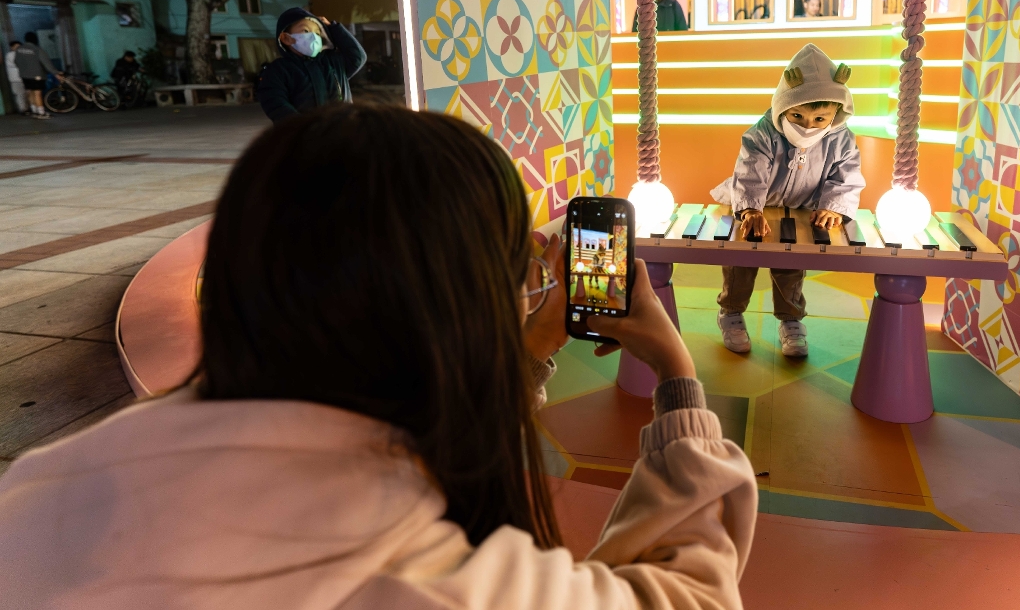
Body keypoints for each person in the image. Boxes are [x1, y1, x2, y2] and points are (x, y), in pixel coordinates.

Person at [0, 104, 757, 608]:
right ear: (454, 305)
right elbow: (691, 593)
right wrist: (676, 375)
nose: (536, 259)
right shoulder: (436, 586)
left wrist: (527, 351)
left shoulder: (41, 484)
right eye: (513, 256)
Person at [710, 44, 865, 357]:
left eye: (819, 118)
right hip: (755, 205)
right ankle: (731, 312)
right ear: (783, 107)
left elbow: (846, 176)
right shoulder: (763, 133)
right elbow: (751, 172)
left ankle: (790, 319)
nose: (807, 126)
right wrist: (750, 209)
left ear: (836, 114)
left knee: (791, 265)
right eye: (797, 116)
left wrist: (833, 206)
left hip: (800, 208)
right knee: (741, 261)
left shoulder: (840, 139)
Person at [257, 7, 366, 122]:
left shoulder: (333, 62)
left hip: (342, 128)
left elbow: (358, 56)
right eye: (306, 31)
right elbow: (275, 103)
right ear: (286, 38)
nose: (314, 36)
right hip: (306, 131)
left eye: (318, 32)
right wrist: (302, 126)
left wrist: (333, 27)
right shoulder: (279, 70)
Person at [12, 32, 61, 120]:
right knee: (37, 93)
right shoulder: (37, 49)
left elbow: (16, 62)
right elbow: (46, 63)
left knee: (30, 92)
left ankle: (34, 111)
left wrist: (24, 69)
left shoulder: (19, 50)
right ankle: (41, 113)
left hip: (24, 75)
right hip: (37, 74)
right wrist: (55, 73)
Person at [5, 41, 29, 115]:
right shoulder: (10, 55)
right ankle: (23, 109)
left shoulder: (21, 54)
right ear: (11, 47)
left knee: (26, 94)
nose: (18, 48)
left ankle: (26, 108)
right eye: (16, 46)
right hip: (16, 78)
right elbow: (18, 63)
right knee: (20, 94)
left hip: (23, 77)